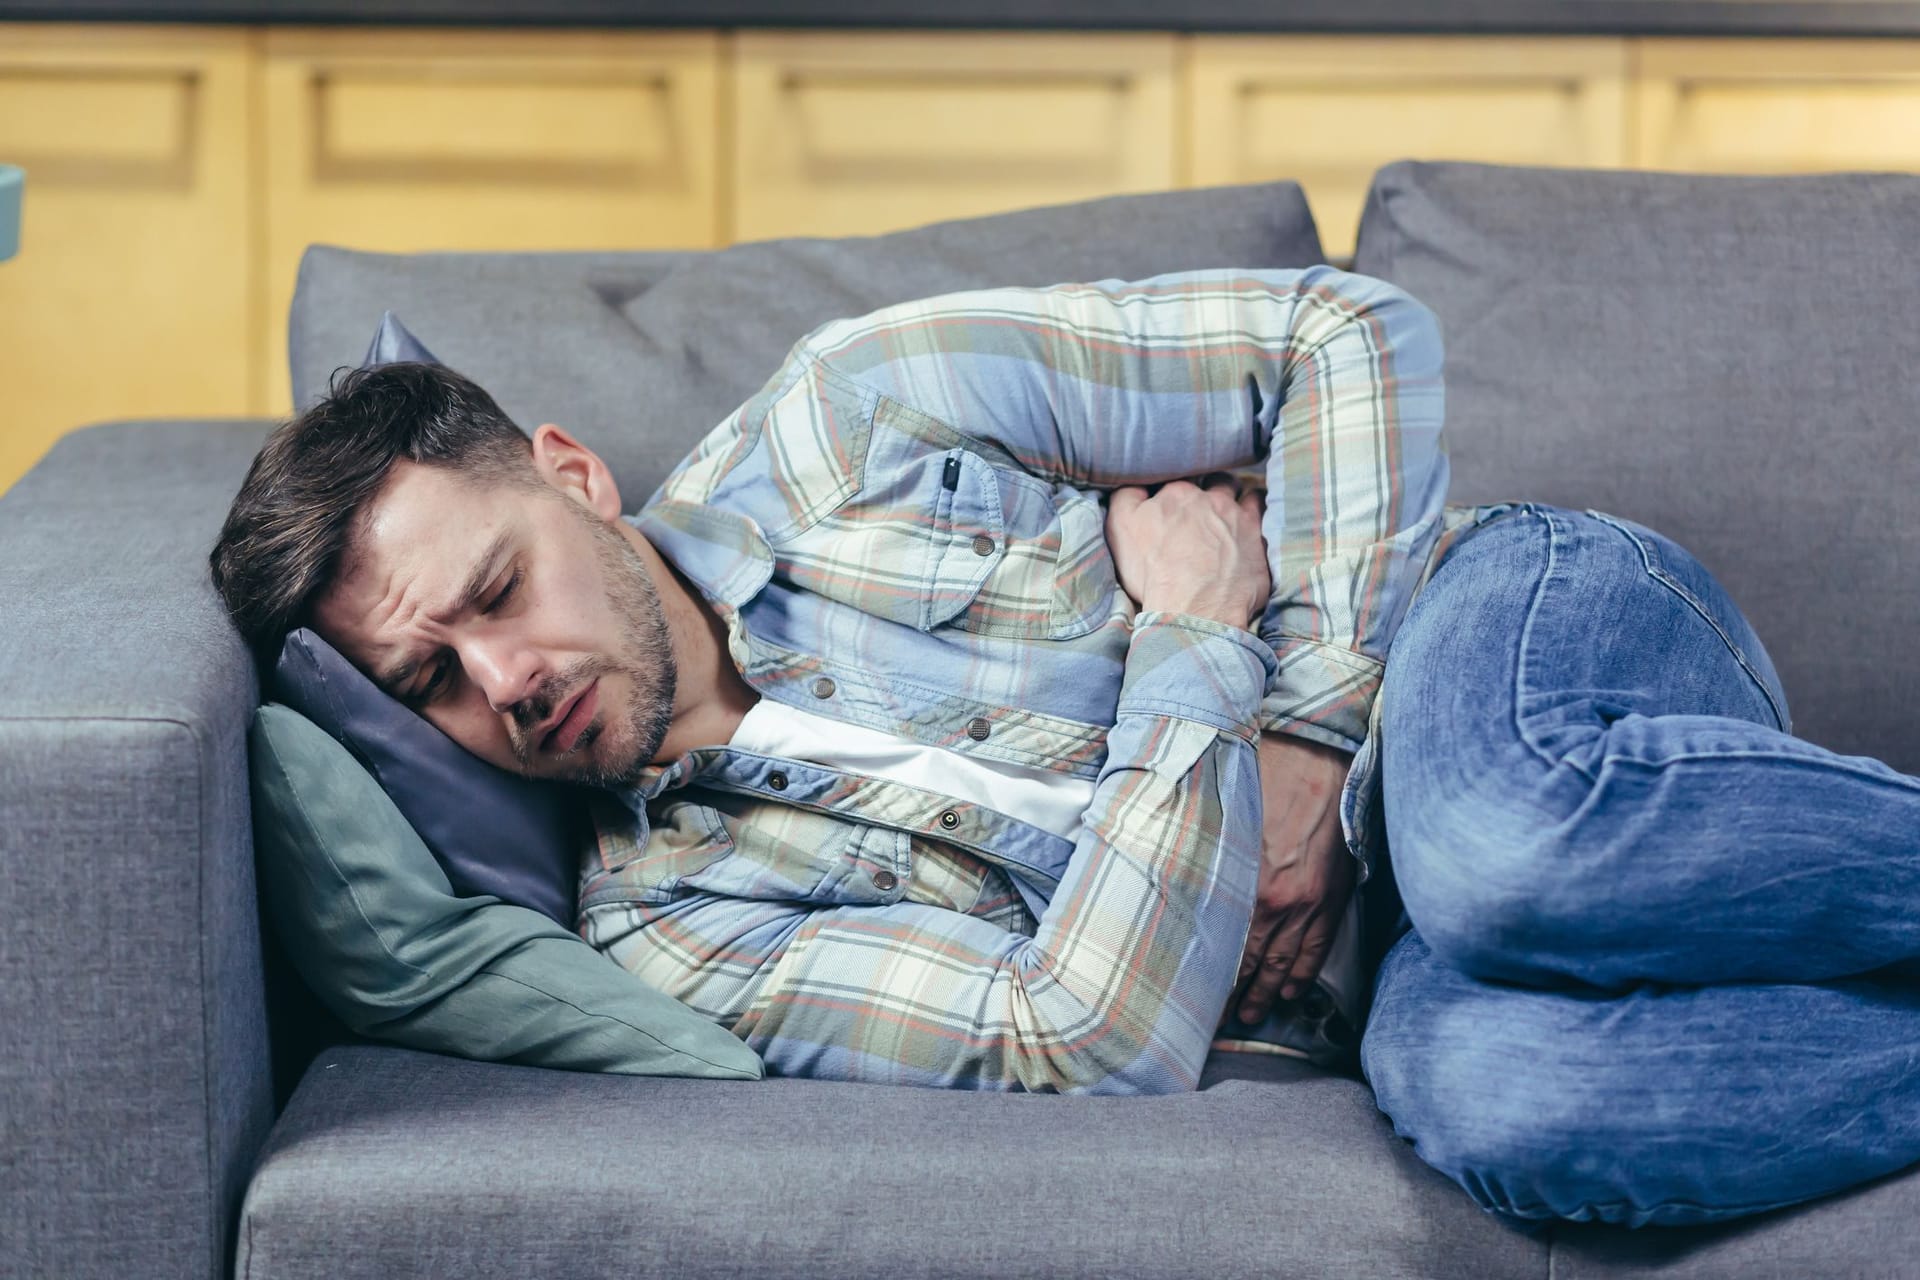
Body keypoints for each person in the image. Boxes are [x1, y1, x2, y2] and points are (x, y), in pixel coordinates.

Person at [209, 266, 1920, 1231]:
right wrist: (1188, 640)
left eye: (496, 591)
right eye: (428, 683)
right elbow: (1085, 1039)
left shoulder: (853, 415)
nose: (502, 682)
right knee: (1518, 1107)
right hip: (1387, 988)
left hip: (1500, 647)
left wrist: (1311, 737)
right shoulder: (674, 931)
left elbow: (1343, 336)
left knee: (1494, 850)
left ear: (573, 475)